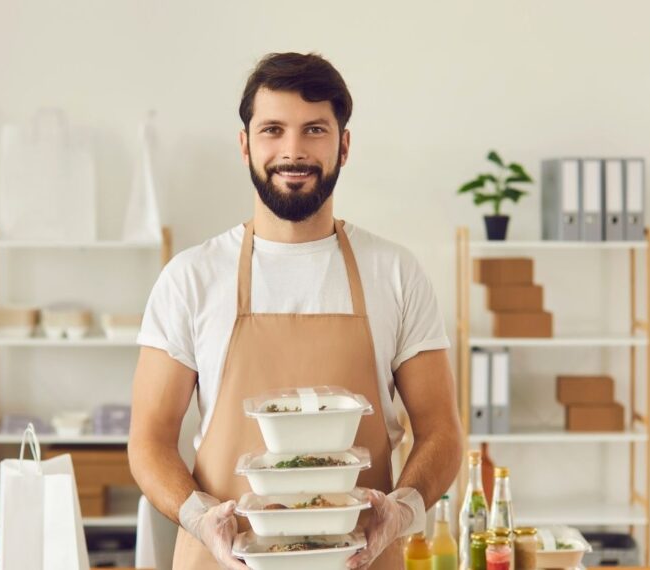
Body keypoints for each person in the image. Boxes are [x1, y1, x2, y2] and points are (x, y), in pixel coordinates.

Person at [128, 51, 463, 569]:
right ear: (244, 145)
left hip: (362, 560)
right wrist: (200, 517)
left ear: (343, 145)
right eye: (272, 130)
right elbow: (149, 439)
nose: (293, 150)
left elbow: (441, 429)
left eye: (314, 130)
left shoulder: (396, 273)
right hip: (222, 560)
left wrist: (403, 510)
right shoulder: (190, 278)